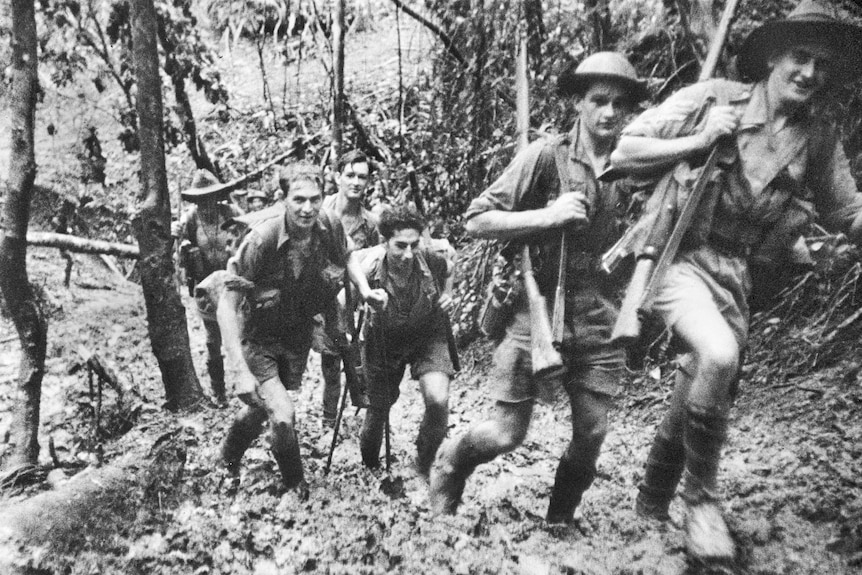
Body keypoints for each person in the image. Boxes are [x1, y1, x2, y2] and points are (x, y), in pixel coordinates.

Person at [609, 0, 862, 560]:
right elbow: (625, 152)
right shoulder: (713, 100)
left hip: (740, 277)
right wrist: (697, 141)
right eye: (800, 57)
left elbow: (848, 213)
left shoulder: (818, 136)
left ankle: (651, 499)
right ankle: (702, 503)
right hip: (679, 258)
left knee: (704, 378)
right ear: (773, 57)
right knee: (718, 356)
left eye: (823, 64)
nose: (810, 74)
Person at [429, 52, 648, 522]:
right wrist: (547, 216)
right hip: (537, 308)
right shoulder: (545, 156)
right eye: (599, 101)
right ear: (578, 104)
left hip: (600, 311)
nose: (610, 112)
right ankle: (449, 465)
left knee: (592, 432)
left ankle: (559, 520)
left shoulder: (636, 161)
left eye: (620, 104)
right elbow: (477, 219)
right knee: (507, 434)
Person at [215, 162, 387, 490]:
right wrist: (238, 369)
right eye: (298, 200)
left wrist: (364, 289)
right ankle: (297, 487)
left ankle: (228, 454)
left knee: (261, 409)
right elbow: (227, 302)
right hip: (259, 336)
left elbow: (348, 255)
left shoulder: (328, 223)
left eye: (314, 199)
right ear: (284, 200)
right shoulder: (261, 239)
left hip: (296, 335)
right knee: (281, 414)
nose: (307, 208)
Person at [354, 206, 456, 476]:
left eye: (414, 244)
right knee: (378, 409)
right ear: (384, 241)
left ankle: (422, 466)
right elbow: (344, 301)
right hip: (384, 339)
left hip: (428, 333)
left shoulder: (430, 257)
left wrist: (447, 295)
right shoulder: (370, 268)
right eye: (400, 246)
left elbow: (449, 268)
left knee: (438, 400)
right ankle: (371, 469)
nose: (409, 254)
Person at [314, 150, 381, 424]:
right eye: (350, 175)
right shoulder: (319, 212)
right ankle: (329, 420)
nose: (355, 182)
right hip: (322, 298)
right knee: (330, 362)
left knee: (359, 358)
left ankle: (362, 412)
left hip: (355, 303)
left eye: (362, 177)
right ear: (337, 176)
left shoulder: (370, 223)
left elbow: (377, 262)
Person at [172, 169, 244, 403]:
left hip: (233, 285)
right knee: (214, 341)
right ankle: (219, 391)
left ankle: (248, 386)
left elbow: (252, 232)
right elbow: (175, 238)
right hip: (204, 287)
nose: (205, 204)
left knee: (243, 336)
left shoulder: (231, 213)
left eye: (209, 197)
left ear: (217, 196)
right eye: (200, 199)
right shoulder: (191, 219)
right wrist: (177, 236)